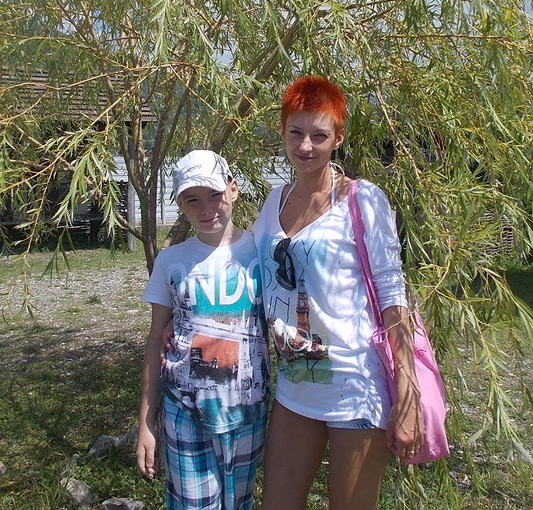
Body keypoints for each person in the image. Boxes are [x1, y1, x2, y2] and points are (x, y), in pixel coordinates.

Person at [253, 76, 424, 510]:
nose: (305, 146)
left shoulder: (362, 200)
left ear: (338, 137)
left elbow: (393, 297)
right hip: (294, 386)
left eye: (319, 135)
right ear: (282, 132)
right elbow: (249, 275)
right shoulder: (273, 202)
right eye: (296, 133)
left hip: (355, 386)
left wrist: (408, 393)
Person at [136, 149, 270, 510]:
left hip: (247, 411)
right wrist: (146, 422)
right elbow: (155, 339)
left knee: (239, 503)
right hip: (184, 412)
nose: (207, 208)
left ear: (233, 189)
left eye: (214, 194)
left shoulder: (261, 251)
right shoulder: (170, 260)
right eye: (192, 200)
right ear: (180, 205)